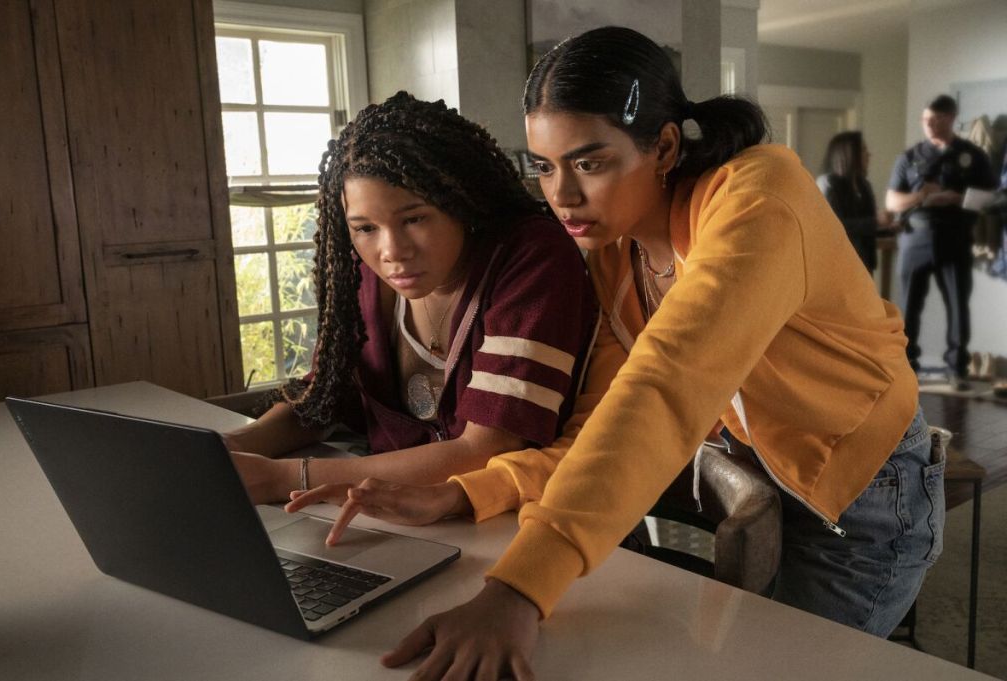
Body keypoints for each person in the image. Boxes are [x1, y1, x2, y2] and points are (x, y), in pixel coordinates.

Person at [288, 27, 946, 681]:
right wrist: (466, 493)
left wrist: (519, 587)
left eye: (590, 162)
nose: (562, 195)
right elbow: (598, 426)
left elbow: (663, 389)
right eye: (543, 166)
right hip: (762, 471)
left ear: (662, 146)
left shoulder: (760, 201)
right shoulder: (614, 249)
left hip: (868, 495)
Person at [225, 92, 596, 505]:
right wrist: (233, 446)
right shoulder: (366, 276)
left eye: (414, 218)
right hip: (393, 518)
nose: (392, 251)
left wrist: (284, 478)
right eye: (365, 228)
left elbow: (486, 451)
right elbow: (325, 397)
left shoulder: (531, 256)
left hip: (526, 523)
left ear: (461, 202)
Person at [886, 95, 996, 387]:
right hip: (915, 238)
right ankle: (906, 367)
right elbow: (892, 201)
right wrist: (922, 196)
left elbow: (991, 197)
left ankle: (956, 368)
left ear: (950, 118)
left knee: (958, 304)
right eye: (925, 120)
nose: (929, 125)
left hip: (956, 236)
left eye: (935, 120)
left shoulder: (973, 156)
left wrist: (956, 198)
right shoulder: (910, 157)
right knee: (909, 307)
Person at [816, 131, 881, 275]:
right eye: (863, 150)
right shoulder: (827, 184)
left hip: (864, 263)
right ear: (849, 153)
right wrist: (875, 222)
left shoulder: (864, 185)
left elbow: (867, 224)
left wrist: (886, 225)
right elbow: (835, 225)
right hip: (838, 264)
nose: (868, 155)